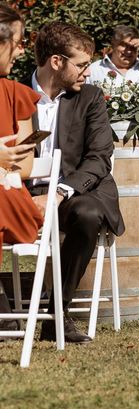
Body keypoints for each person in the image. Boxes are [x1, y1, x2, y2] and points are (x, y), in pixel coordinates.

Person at [26, 21, 124, 343]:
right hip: (23, 193)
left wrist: (57, 193)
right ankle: (8, 311)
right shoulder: (15, 96)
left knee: (88, 215)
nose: (88, 72)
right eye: (81, 65)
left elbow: (98, 157)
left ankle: (57, 316)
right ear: (57, 62)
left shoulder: (91, 98)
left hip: (75, 193)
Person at [0, 3, 42, 321]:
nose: (21, 50)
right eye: (18, 42)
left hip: (10, 199)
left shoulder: (17, 93)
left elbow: (24, 166)